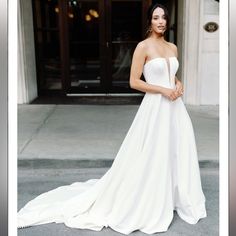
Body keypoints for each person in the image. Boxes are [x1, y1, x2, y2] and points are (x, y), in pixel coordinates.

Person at [18, 3, 207, 235]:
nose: (160, 21)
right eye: (156, 17)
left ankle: (174, 195)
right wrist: (164, 90)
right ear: (150, 21)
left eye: (164, 18)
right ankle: (150, 198)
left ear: (167, 21)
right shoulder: (143, 47)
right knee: (152, 152)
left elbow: (172, 73)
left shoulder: (173, 47)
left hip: (175, 107)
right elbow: (134, 82)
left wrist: (178, 83)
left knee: (176, 150)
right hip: (156, 106)